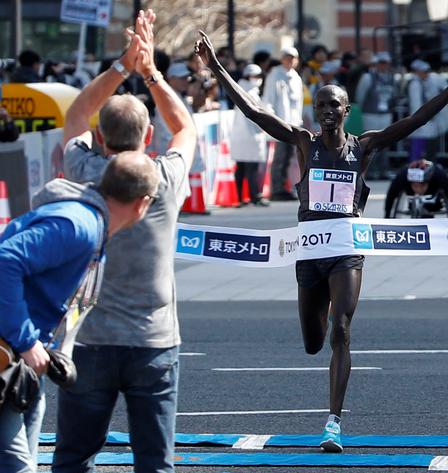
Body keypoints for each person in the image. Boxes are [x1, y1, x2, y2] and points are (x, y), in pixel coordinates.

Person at [196, 30, 448, 453]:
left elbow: (417, 120)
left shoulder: (363, 147)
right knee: (313, 343)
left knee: (342, 330)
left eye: (335, 105)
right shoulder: (303, 142)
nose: (327, 111)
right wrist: (218, 68)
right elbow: (254, 109)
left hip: (346, 254)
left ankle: (332, 423)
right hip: (309, 255)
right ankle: (325, 320)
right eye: (321, 105)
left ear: (347, 111)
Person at [52, 10, 197, 473]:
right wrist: (150, 71)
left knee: (74, 457)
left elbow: (74, 113)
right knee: (155, 462)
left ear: (99, 138)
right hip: (153, 341)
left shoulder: (87, 171)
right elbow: (186, 128)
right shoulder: (164, 178)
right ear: (147, 136)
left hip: (89, 339)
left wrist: (121, 66)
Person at [0, 152, 160, 473]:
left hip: (23, 362)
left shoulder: (88, 222)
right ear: (142, 203)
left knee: (22, 457)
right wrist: (27, 340)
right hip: (10, 355)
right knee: (17, 464)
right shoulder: (80, 226)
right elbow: (5, 262)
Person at [262, 46, 304, 201]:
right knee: (279, 157)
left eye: (293, 57)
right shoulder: (275, 74)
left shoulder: (296, 77)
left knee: (288, 157)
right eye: (287, 57)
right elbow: (269, 98)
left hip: (293, 123)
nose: (290, 60)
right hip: (280, 121)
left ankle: (284, 186)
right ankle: (276, 188)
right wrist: (271, 120)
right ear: (282, 58)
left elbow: (298, 103)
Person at [355, 52, 397, 179]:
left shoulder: (392, 78)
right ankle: (370, 170)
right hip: (370, 114)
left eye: (386, 63)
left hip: (385, 114)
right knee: (370, 143)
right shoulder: (368, 77)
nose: (383, 66)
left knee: (384, 143)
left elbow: (395, 95)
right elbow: (360, 96)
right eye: (381, 63)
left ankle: (384, 170)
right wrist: (364, 110)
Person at [232, 64, 269, 207]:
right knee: (251, 168)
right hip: (251, 135)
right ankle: (255, 196)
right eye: (255, 76)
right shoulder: (250, 93)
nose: (257, 79)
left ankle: (240, 197)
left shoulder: (239, 90)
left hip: (241, 136)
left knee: (241, 168)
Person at [384, 159, 448, 218]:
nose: (418, 189)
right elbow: (391, 197)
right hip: (410, 192)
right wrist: (387, 216)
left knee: (432, 207)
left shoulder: (439, 176)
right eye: (415, 185)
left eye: (421, 185)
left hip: (433, 193)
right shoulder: (402, 177)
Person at [407, 59, 442, 162]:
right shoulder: (415, 84)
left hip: (428, 121)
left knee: (429, 149)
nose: (427, 74)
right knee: (417, 150)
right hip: (420, 121)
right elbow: (415, 104)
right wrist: (417, 121)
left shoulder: (425, 82)